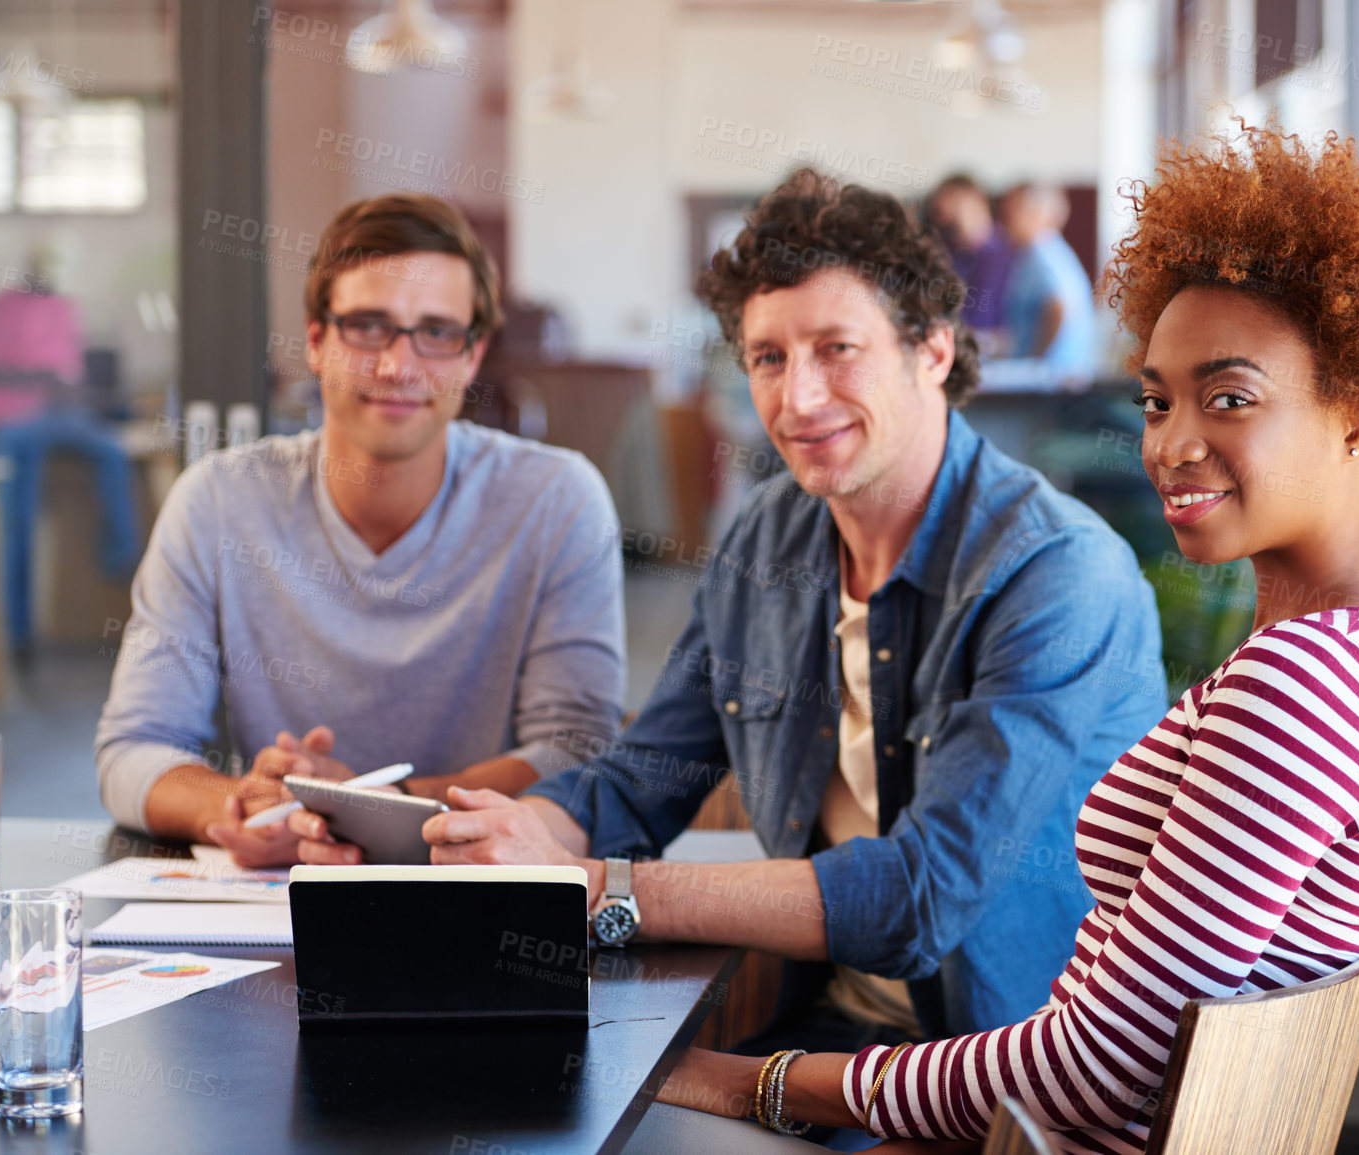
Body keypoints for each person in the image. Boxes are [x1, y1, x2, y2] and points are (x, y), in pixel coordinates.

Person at [655, 124, 1359, 1153]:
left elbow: (1079, 1078)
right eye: (1156, 400)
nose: (1171, 443)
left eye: (1229, 398)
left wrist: (750, 1082)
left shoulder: (1305, 687)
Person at [291, 168, 1164, 1055]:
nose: (798, 398)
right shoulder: (770, 539)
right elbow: (639, 780)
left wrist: (595, 887)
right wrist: (474, 842)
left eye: (837, 348)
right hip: (831, 1034)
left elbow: (918, 896)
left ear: (932, 350)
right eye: (768, 358)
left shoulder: (1055, 572)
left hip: (1011, 1073)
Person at [95, 193, 626, 865]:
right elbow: (133, 748)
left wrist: (369, 806)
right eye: (368, 326)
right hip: (277, 905)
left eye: (436, 331)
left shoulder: (556, 500)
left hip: (477, 893)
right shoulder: (219, 501)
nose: (397, 366)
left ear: (471, 355)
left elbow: (575, 750)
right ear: (316, 341)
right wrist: (246, 810)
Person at [0, 239, 141, 659]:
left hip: (53, 417)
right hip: (8, 423)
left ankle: (121, 554)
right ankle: (16, 633)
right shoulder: (4, 306)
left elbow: (69, 376)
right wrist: (33, 376)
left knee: (113, 450)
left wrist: (67, 389)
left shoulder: (64, 309)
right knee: (17, 529)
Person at [990, 183, 1096, 388]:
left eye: (1011, 212)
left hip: (1051, 380)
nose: (1004, 221)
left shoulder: (1041, 252)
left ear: (1035, 214)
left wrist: (1034, 362)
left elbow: (1058, 306)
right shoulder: (1045, 252)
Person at [926, 174, 1014, 350]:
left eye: (955, 202)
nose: (948, 213)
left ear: (977, 199)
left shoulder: (1011, 254)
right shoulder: (945, 254)